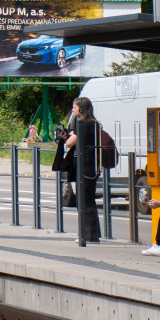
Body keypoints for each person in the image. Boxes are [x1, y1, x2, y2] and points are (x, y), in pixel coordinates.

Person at [52, 96, 102, 243]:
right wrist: (69, 135)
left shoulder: (83, 125)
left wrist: (68, 137)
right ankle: (93, 234)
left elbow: (69, 144)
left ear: (82, 109)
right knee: (88, 200)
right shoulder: (94, 124)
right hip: (90, 168)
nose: (72, 110)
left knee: (84, 201)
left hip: (84, 168)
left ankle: (87, 235)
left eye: (74, 108)